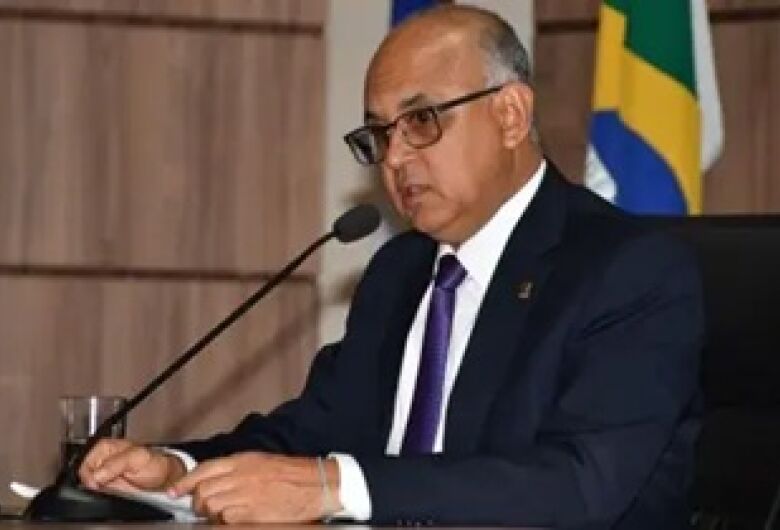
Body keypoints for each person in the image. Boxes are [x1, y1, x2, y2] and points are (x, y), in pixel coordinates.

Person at [79, 5, 703, 529]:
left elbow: (578, 483)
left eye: (422, 120)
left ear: (510, 115)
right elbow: (310, 435)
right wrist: (178, 471)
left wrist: (335, 487)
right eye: (380, 134)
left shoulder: (627, 268)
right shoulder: (399, 271)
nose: (396, 157)